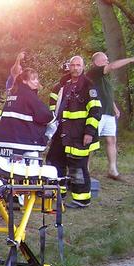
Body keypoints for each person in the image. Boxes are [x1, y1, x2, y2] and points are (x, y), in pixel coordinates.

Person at [46, 56, 101, 208]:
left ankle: (82, 199)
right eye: (73, 65)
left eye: (78, 65)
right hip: (62, 133)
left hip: (80, 134)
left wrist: (89, 132)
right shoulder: (65, 84)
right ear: (69, 66)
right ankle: (59, 193)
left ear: (83, 67)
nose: (75, 68)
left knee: (78, 167)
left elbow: (96, 111)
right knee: (55, 161)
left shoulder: (89, 86)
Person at [86, 51, 134, 180]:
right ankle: (86, 171)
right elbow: (112, 66)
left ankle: (113, 170)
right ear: (97, 62)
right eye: (105, 59)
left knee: (111, 140)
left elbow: (106, 94)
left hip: (108, 113)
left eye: (107, 59)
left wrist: (114, 108)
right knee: (92, 143)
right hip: (97, 113)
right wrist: (130, 59)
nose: (107, 61)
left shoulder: (104, 79)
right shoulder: (94, 72)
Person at [0, 69, 53, 158]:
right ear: (24, 81)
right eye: (33, 79)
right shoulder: (29, 95)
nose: (36, 82)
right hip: (23, 145)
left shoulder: (12, 95)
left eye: (37, 79)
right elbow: (46, 116)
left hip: (2, 144)